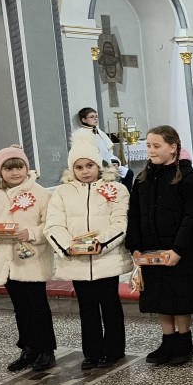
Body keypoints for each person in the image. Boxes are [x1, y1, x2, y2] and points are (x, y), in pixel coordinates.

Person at [45, 132, 131, 371]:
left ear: (98, 164)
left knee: (110, 305)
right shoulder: (62, 193)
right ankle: (91, 352)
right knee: (87, 309)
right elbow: (53, 224)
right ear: (72, 169)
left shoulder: (115, 189)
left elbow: (120, 222)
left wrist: (101, 244)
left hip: (106, 258)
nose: (85, 171)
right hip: (77, 260)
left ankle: (114, 350)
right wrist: (67, 246)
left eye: (89, 165)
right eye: (79, 167)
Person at [125, 126, 193, 366]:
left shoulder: (188, 177)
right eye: (148, 145)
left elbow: (191, 216)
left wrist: (178, 249)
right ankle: (167, 340)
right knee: (158, 297)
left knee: (178, 297)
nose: (150, 150)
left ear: (173, 147)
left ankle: (184, 342)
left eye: (156, 146)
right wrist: (135, 246)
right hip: (152, 250)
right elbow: (135, 214)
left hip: (179, 251)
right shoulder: (143, 178)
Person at [0, 145, 55, 372]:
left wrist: (30, 233)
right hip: (6, 261)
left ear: (26, 167)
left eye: (19, 167)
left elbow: (49, 225)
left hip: (31, 259)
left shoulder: (40, 193)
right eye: (9, 169)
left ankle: (46, 349)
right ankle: (28, 348)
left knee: (38, 306)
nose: (15, 173)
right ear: (0, 171)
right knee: (20, 307)